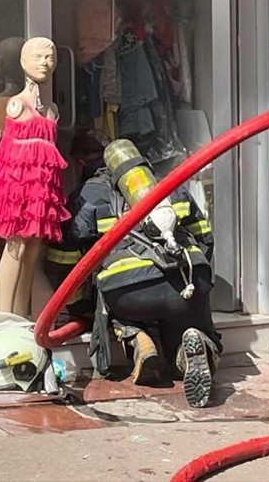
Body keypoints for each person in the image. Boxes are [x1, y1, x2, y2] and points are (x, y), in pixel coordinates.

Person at [45, 137, 222, 408]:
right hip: (186, 281)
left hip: (130, 293)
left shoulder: (88, 195)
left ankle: (138, 340)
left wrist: (80, 306)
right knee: (186, 322)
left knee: (116, 306)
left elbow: (63, 259)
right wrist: (199, 284)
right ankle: (193, 347)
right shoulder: (171, 185)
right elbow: (205, 238)